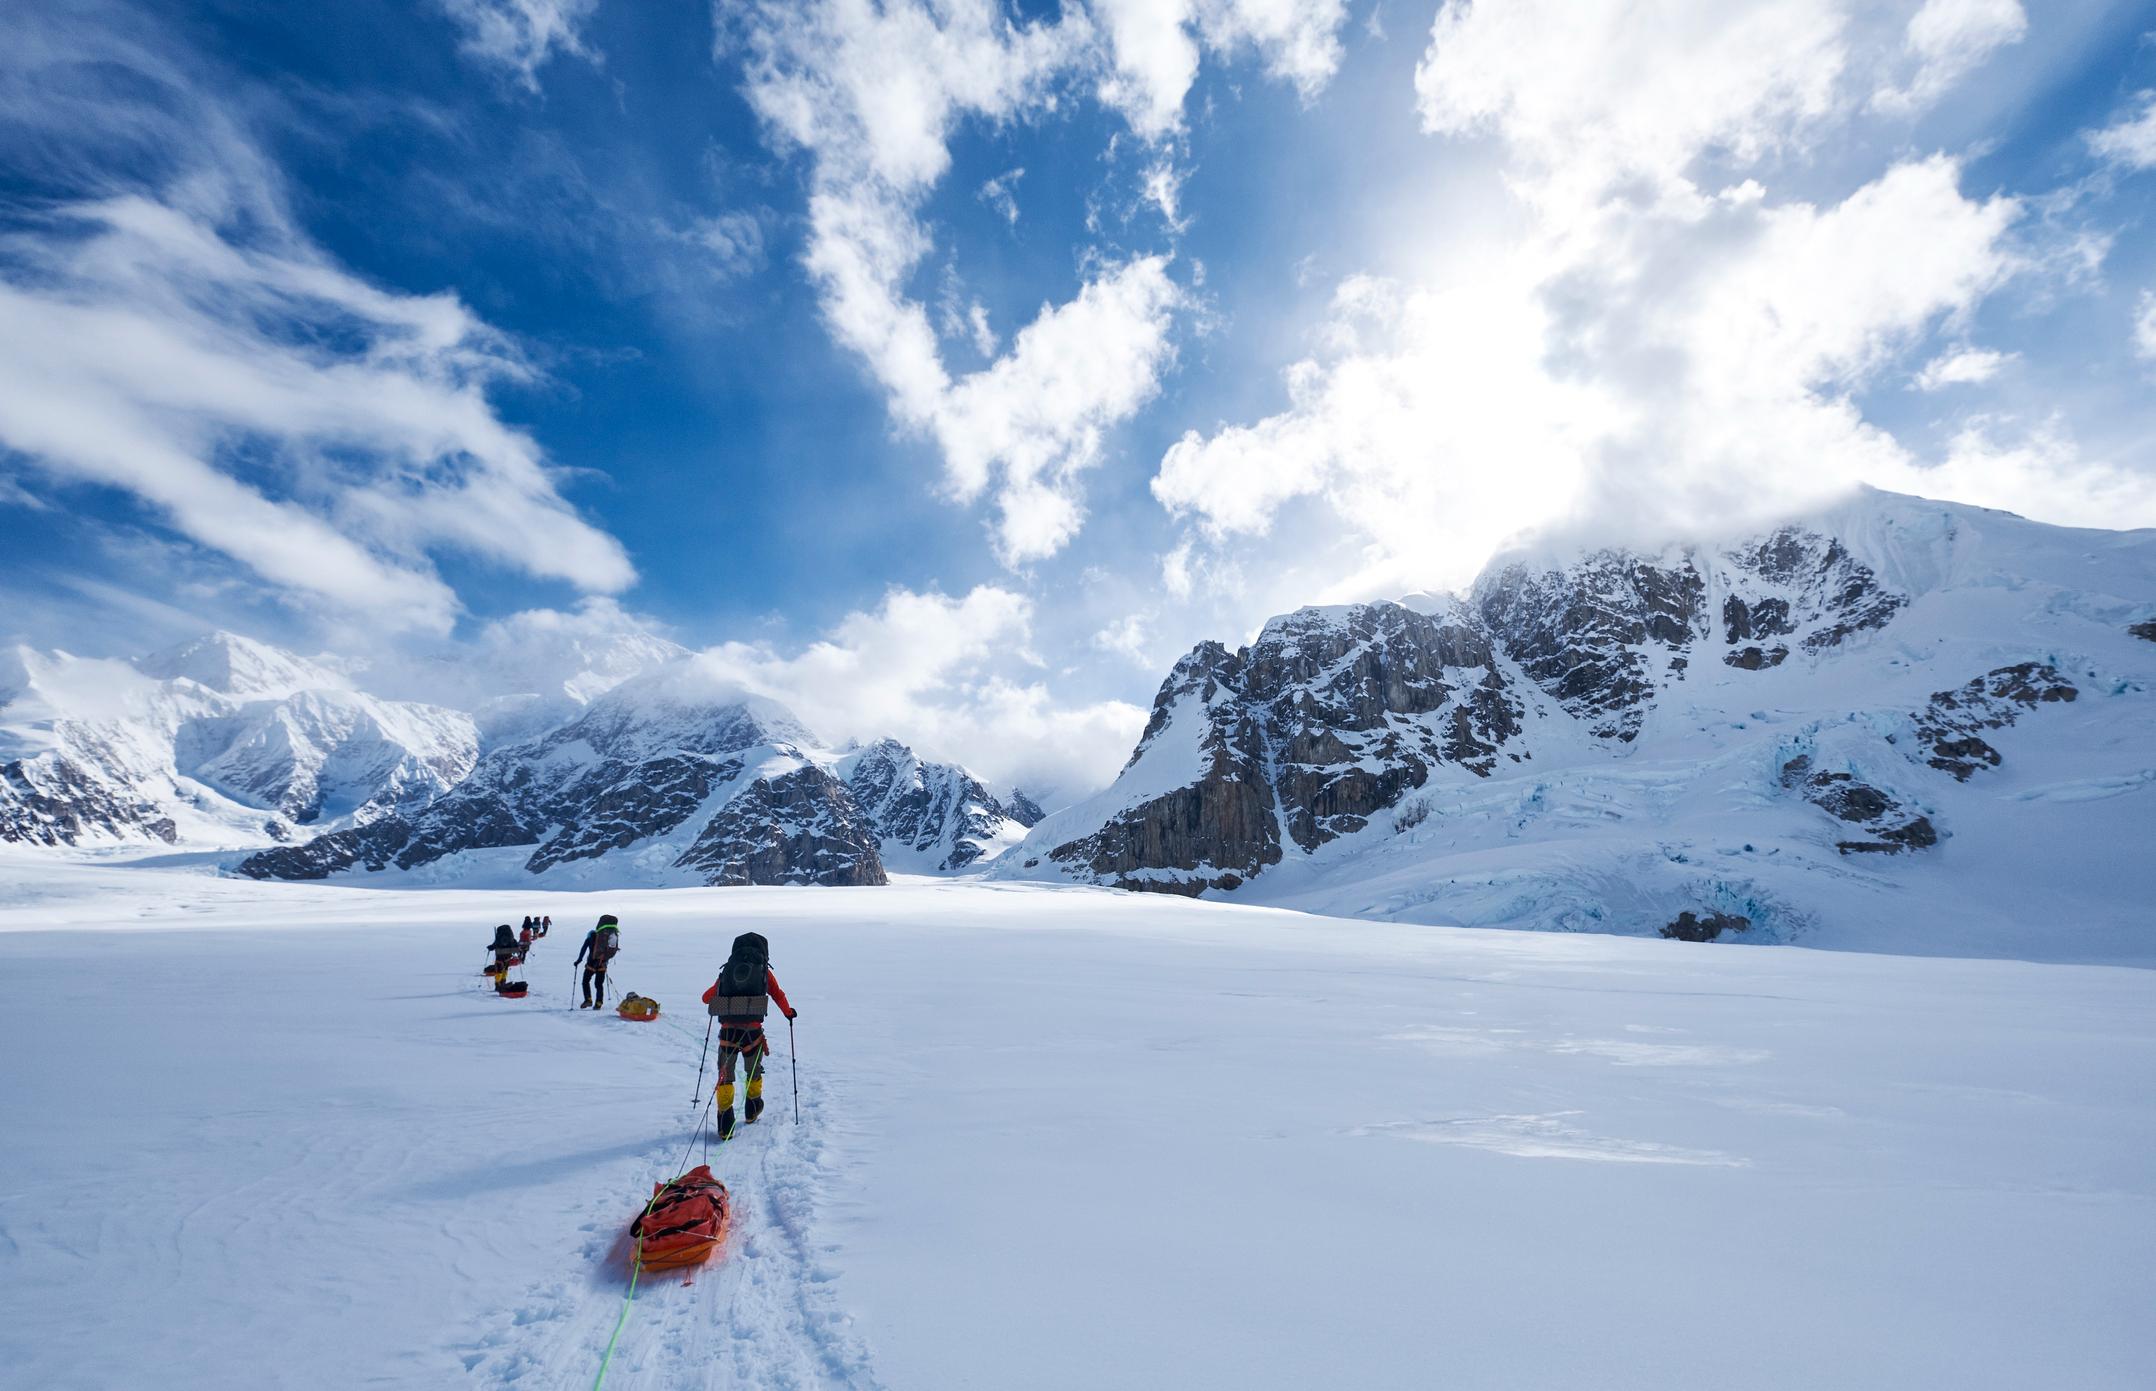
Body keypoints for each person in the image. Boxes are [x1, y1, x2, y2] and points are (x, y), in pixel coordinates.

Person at [700, 932, 796, 1140]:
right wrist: (788, 1012)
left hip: (728, 1032)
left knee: (726, 1075)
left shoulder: (727, 971)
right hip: (752, 1032)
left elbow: (706, 998)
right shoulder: (763, 972)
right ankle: (752, 1110)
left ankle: (725, 1124)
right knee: (753, 1070)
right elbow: (777, 994)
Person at [575, 914, 621, 1009]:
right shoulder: (611, 935)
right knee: (599, 984)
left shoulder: (591, 935)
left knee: (585, 981)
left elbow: (584, 948)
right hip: (603, 963)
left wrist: (579, 960)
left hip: (591, 963)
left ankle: (588, 1000)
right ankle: (599, 1003)